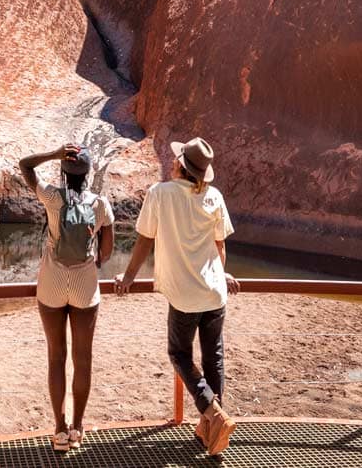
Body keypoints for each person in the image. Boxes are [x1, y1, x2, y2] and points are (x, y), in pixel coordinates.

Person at [114, 137, 238, 456]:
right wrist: (221, 273)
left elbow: (144, 240)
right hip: (214, 292)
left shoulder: (160, 193)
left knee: (178, 353)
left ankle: (213, 414)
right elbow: (219, 247)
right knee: (214, 358)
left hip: (184, 296)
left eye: (175, 159)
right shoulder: (214, 196)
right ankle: (212, 428)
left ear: (179, 166)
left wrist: (128, 278)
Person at [18, 143, 115, 452]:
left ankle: (59, 430)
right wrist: (93, 261)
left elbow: (25, 165)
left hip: (52, 284)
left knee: (56, 357)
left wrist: (53, 154)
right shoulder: (100, 204)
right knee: (82, 359)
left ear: (63, 171)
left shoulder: (52, 197)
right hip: (85, 286)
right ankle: (77, 428)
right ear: (87, 174)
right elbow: (107, 251)